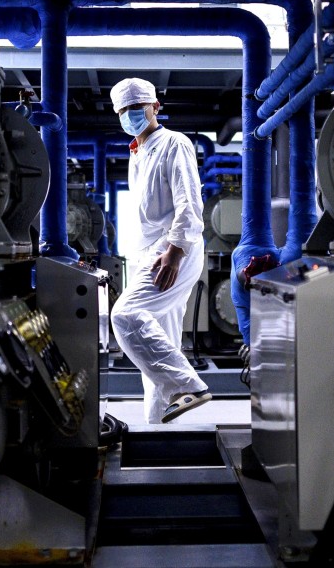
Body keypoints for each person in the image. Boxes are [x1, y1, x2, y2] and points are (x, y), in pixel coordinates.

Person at [108, 77, 212, 424]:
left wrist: (174, 251)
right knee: (156, 353)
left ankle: (188, 386)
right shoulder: (138, 153)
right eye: (123, 111)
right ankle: (156, 432)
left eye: (136, 108)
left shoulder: (173, 143)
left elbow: (189, 202)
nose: (129, 116)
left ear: (156, 107)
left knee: (124, 316)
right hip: (150, 255)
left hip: (172, 253)